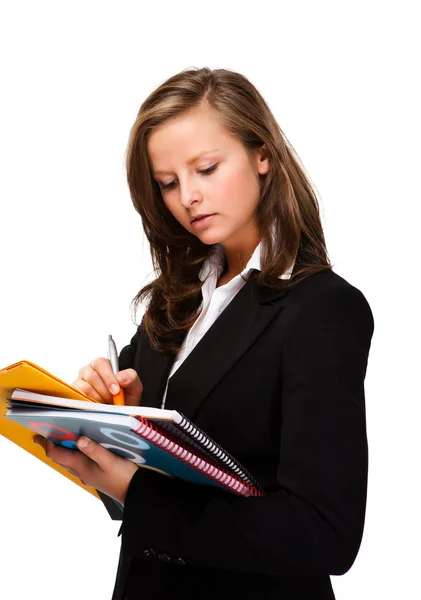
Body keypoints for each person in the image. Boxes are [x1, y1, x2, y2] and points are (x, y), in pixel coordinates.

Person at [33, 67, 374, 599]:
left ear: (262, 156)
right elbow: (137, 499)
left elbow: (324, 534)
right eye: (168, 183)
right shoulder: (173, 300)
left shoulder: (323, 309)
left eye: (207, 168)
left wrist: (136, 491)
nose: (187, 196)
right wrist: (109, 419)